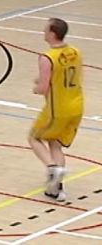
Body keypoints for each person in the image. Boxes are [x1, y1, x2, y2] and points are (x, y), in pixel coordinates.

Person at [29, 18, 84, 202]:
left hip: (57, 108)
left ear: (52, 33)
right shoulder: (75, 52)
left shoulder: (47, 57)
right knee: (55, 142)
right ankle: (57, 191)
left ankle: (52, 168)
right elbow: (66, 73)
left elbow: (43, 88)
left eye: (45, 29)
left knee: (34, 137)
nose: (43, 31)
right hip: (76, 105)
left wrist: (37, 87)